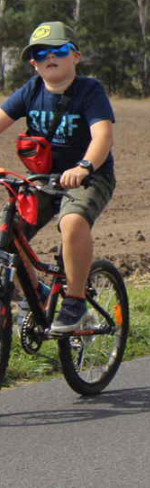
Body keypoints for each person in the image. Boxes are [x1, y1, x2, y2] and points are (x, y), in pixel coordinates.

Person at [0, 21, 116, 333]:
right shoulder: (31, 90)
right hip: (41, 179)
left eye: (59, 50)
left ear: (75, 56)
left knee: (73, 222)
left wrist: (84, 167)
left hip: (90, 177)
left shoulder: (89, 91)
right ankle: (34, 293)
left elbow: (102, 136)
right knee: (6, 231)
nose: (49, 57)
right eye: (40, 53)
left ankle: (75, 301)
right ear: (33, 63)